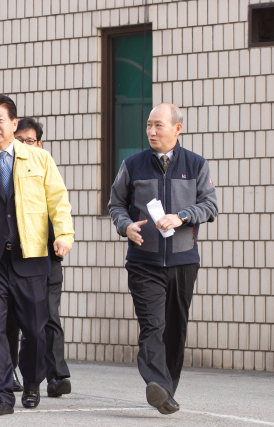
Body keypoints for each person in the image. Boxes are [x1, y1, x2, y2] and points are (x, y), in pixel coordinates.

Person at [0, 94, 74, 416]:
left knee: (35, 329)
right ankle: (0, 395)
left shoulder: (40, 159)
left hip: (31, 256)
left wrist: (63, 235)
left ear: (14, 123)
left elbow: (58, 201)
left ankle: (33, 383)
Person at [108, 103, 218, 415]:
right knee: (151, 325)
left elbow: (210, 206)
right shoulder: (133, 165)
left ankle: (166, 390)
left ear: (177, 129)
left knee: (175, 328)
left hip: (184, 261)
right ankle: (156, 383)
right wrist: (125, 225)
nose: (151, 132)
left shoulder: (195, 165)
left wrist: (182, 216)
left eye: (158, 125)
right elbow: (116, 204)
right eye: (148, 125)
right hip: (144, 261)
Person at [7, 117, 72, 398]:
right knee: (9, 319)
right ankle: (8, 370)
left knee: (48, 315)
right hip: (8, 257)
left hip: (45, 254)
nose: (23, 146)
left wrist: (63, 235)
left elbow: (59, 202)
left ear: (40, 143)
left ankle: (57, 375)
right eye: (18, 140)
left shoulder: (44, 163)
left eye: (29, 140)